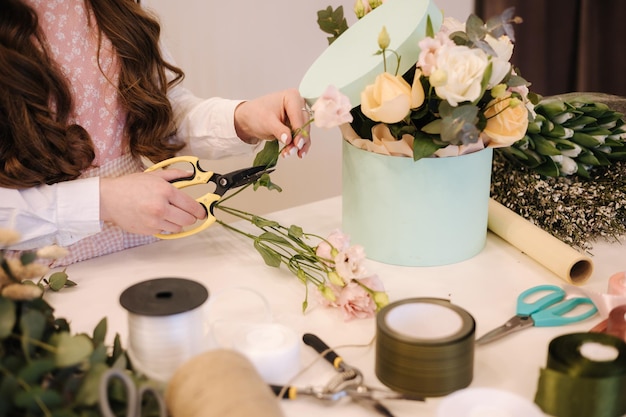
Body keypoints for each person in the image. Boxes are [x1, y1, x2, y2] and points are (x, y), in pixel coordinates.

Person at [0, 0, 311, 266]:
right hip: (35, 281)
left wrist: (241, 119)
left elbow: (160, 112)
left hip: (147, 252)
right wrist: (101, 201)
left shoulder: (114, 8)